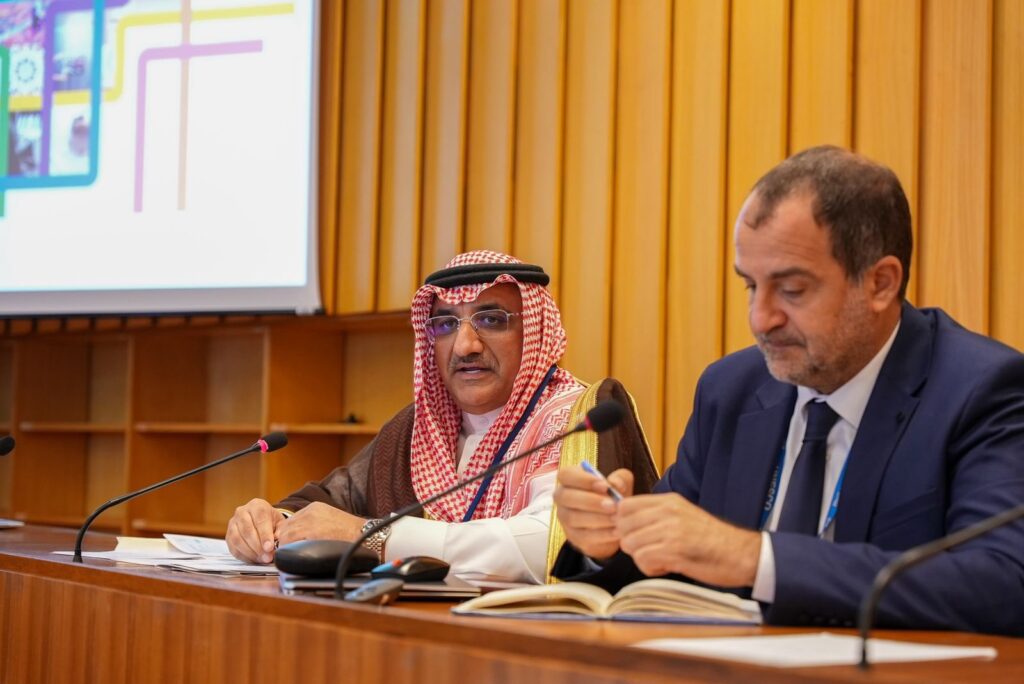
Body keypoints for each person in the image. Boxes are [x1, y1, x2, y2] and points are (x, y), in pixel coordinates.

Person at [552, 146, 1024, 635]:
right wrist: (604, 540)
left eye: (793, 290)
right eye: (751, 287)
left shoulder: (980, 391)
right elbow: (667, 562)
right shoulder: (731, 390)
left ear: (881, 283)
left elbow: (1003, 584)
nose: (761, 319)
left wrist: (756, 558)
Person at [227, 250, 658, 583]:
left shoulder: (580, 416)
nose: (466, 345)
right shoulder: (415, 430)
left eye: (491, 320)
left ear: (533, 329)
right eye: (446, 324)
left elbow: (548, 544)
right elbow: (330, 502)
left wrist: (374, 537)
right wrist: (271, 524)